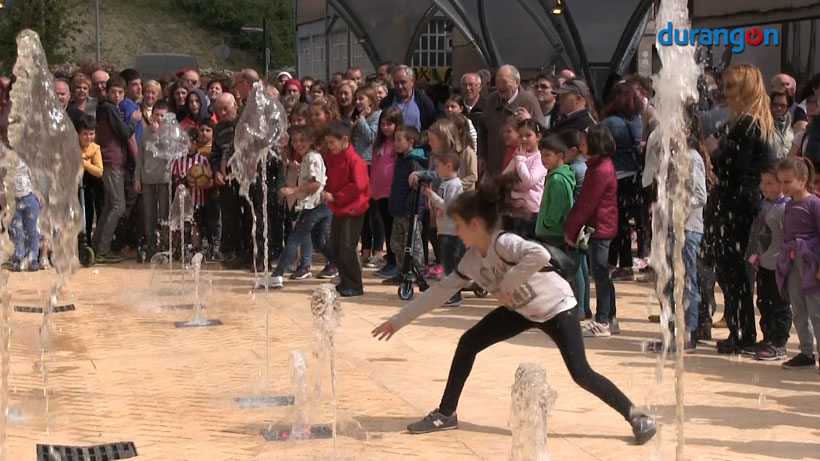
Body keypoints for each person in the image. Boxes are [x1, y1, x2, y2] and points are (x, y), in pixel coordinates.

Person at [370, 175, 656, 445]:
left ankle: (636, 416)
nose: (456, 231)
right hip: (520, 310)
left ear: (475, 224)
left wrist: (509, 282)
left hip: (557, 307)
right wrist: (398, 321)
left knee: (581, 373)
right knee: (468, 343)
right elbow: (439, 292)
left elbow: (539, 254)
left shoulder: (503, 242)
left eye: (458, 225)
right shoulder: (471, 261)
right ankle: (446, 414)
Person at [712, 64, 778, 354]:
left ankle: (742, 333)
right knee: (735, 269)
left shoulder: (747, 125)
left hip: (738, 201)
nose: (725, 93)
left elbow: (731, 168)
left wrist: (714, 151)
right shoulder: (757, 123)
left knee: (733, 269)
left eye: (731, 87)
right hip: (745, 200)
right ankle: (742, 330)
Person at [565, 125, 619, 337]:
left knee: (600, 274)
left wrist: (571, 230)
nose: (581, 146)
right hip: (599, 226)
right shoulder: (598, 166)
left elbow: (586, 204)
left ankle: (603, 321)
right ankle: (610, 318)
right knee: (601, 273)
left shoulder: (599, 170)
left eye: (585, 142)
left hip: (600, 227)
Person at [268, 126, 335, 288]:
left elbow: (316, 183)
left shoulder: (312, 158)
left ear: (311, 140)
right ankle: (342, 265)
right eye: (295, 141)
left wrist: (294, 190)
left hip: (313, 206)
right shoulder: (307, 158)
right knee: (319, 241)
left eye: (302, 140)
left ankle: (277, 275)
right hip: (320, 206)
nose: (298, 144)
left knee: (294, 239)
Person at [743, 164, 792, 360]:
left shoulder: (786, 208)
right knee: (764, 301)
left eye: (770, 183)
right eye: (763, 182)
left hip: (779, 266)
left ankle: (779, 342)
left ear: (782, 185)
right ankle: (768, 337)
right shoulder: (765, 203)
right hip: (764, 263)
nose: (764, 186)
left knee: (779, 304)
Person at [776, 158, 820, 371]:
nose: (783, 187)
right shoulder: (789, 205)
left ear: (802, 180)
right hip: (793, 262)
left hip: (811, 262)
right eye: (780, 182)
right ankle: (806, 352)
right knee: (799, 309)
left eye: (787, 182)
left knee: (816, 310)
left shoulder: (815, 204)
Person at [92, 76, 140, 263]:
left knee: (110, 206)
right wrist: (134, 121)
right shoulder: (109, 108)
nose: (117, 96)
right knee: (119, 206)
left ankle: (96, 245)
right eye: (114, 92)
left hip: (110, 160)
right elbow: (124, 132)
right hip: (112, 161)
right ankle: (103, 249)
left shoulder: (109, 108)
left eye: (120, 92)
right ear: (107, 92)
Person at [322, 120, 371, 297]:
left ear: (344, 140)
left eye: (332, 142)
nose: (329, 146)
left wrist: (335, 196)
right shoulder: (333, 158)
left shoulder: (356, 161)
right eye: (328, 143)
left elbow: (358, 186)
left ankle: (355, 284)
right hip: (339, 208)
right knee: (336, 245)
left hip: (353, 209)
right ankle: (345, 281)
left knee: (347, 246)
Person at [601, 81, 644, 281]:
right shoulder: (637, 120)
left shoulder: (610, 122)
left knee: (616, 222)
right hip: (633, 175)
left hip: (615, 174)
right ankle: (622, 264)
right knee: (624, 221)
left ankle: (617, 263)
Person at [478, 65, 544, 178]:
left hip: (518, 172)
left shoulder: (529, 101)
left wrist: (529, 121)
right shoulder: (492, 100)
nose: (500, 86)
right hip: (492, 168)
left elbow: (542, 134)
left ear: (517, 82)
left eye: (504, 82)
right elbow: (482, 129)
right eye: (497, 82)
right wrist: (481, 155)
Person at [383, 125, 429, 287]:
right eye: (394, 140)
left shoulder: (414, 162)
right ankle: (402, 273)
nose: (395, 143)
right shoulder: (401, 160)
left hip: (411, 213)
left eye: (399, 140)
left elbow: (417, 189)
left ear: (411, 142)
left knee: (413, 246)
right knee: (397, 244)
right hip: (398, 211)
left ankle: (419, 274)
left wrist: (408, 207)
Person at [423, 151, 465, 306]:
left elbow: (450, 208)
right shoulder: (444, 183)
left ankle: (455, 296)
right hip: (443, 230)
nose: (436, 169)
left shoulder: (455, 185)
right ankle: (451, 293)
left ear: (449, 166)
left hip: (452, 232)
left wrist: (432, 196)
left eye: (438, 166)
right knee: (447, 265)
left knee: (451, 266)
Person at [135, 101, 172, 260]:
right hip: (147, 178)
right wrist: (137, 178)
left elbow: (170, 154)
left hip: (164, 178)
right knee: (149, 215)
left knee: (164, 214)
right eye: (157, 114)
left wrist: (158, 135)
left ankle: (165, 245)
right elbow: (140, 156)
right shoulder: (146, 132)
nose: (159, 118)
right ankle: (151, 245)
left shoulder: (171, 132)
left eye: (163, 115)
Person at [500, 120, 548, 239]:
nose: (524, 139)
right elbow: (504, 176)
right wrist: (516, 160)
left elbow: (530, 181)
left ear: (538, 137)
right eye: (521, 136)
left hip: (531, 211)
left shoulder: (539, 157)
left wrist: (520, 160)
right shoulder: (519, 154)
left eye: (528, 135)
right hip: (515, 208)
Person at [371, 106, 403, 279]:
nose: (385, 127)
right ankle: (390, 261)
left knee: (393, 229)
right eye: (382, 124)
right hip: (379, 193)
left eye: (389, 124)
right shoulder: (380, 144)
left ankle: (394, 262)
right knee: (386, 227)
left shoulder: (399, 144)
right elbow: (375, 167)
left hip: (393, 193)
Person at [170, 134, 212, 253]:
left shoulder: (202, 160)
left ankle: (195, 249)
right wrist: (182, 181)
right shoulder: (178, 160)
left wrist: (198, 183)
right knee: (180, 224)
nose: (189, 146)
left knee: (195, 224)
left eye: (192, 143)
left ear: (197, 144)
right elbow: (174, 177)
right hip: (182, 199)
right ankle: (177, 249)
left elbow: (209, 181)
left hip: (197, 199)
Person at [379, 65, 437, 131]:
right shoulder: (386, 102)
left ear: (412, 81)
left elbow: (432, 126)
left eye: (403, 82)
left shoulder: (424, 102)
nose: (400, 86)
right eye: (396, 83)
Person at [10, 158, 39, 272]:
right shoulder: (6, 160)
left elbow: (37, 177)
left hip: (29, 198)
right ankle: (18, 257)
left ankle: (33, 258)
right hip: (14, 200)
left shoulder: (28, 158)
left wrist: (38, 197)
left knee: (32, 230)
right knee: (17, 231)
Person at [77, 115, 104, 240]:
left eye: (91, 134)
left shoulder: (95, 148)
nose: (88, 137)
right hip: (72, 185)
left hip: (87, 184)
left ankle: (87, 239)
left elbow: (99, 171)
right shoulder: (72, 146)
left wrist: (85, 163)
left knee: (88, 210)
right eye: (85, 134)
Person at [770, 89, 794, 159]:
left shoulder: (793, 121)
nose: (779, 108)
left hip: (787, 163)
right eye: (775, 104)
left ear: (788, 106)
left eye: (782, 105)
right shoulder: (765, 122)